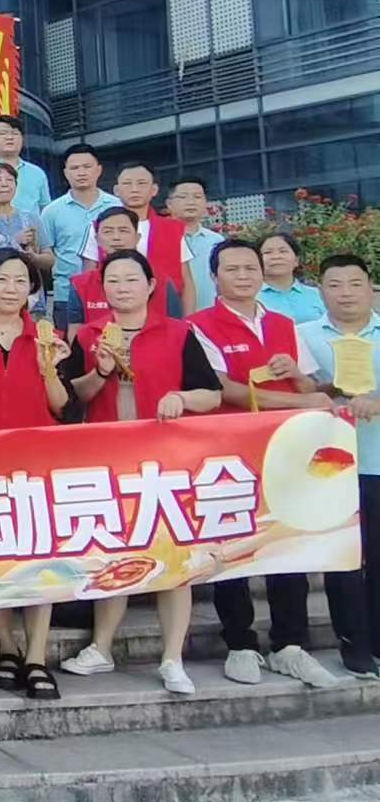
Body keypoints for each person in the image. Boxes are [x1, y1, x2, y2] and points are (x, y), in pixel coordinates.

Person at [58, 252, 223, 694]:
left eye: (132, 279)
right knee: (114, 552)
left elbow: (211, 394)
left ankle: (172, 658)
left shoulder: (179, 332)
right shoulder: (90, 334)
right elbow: (71, 398)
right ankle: (101, 648)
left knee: (173, 555)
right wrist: (100, 371)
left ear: (151, 285)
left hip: (166, 461)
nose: (122, 287)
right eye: (113, 280)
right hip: (108, 459)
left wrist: (181, 398)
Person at [188, 239, 337, 690]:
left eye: (250, 268)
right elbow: (224, 388)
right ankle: (240, 643)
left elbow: (311, 386)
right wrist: (296, 401)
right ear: (214, 277)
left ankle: (290, 644)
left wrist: (297, 375)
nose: (243, 276)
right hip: (227, 452)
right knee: (232, 548)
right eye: (232, 269)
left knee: (288, 543)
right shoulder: (199, 326)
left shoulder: (283, 324)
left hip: (285, 449)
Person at [0, 250, 73, 701]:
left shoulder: (45, 336)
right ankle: (6, 646)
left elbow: (60, 404)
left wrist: (50, 366)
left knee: (39, 557)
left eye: (21, 281)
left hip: (36, 461)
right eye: (2, 279)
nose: (11, 289)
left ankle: (36, 656)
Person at [302, 254, 380, 678]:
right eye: (334, 285)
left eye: (354, 283)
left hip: (377, 461)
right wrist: (324, 392)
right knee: (343, 558)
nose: (345, 293)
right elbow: (296, 393)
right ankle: (353, 642)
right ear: (320, 291)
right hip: (328, 467)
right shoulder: (303, 336)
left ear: (371, 288)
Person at [80, 162, 197, 315]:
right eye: (127, 184)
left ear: (154, 189)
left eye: (141, 183)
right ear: (116, 190)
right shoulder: (99, 227)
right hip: (112, 315)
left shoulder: (172, 229)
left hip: (164, 313)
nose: (134, 189)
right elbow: (88, 276)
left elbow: (187, 282)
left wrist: (188, 321)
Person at [41, 144, 120, 330]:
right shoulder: (51, 211)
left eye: (87, 167)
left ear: (98, 169)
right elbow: (46, 253)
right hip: (66, 295)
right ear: (65, 173)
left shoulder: (117, 206)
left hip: (113, 292)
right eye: (75, 168)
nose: (81, 172)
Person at [0, 162, 52, 282]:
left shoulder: (31, 218)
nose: (4, 184)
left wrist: (34, 258)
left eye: (10, 180)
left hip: (30, 288)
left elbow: (50, 260)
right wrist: (14, 242)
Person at [166, 176, 223, 313]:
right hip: (171, 316)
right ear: (169, 204)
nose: (191, 202)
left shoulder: (217, 241)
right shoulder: (159, 238)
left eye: (197, 197)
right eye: (183, 197)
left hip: (211, 316)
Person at [259, 232, 326, 321]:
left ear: (296, 260)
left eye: (283, 251)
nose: (276, 257)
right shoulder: (250, 298)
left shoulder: (319, 295)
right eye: (268, 252)